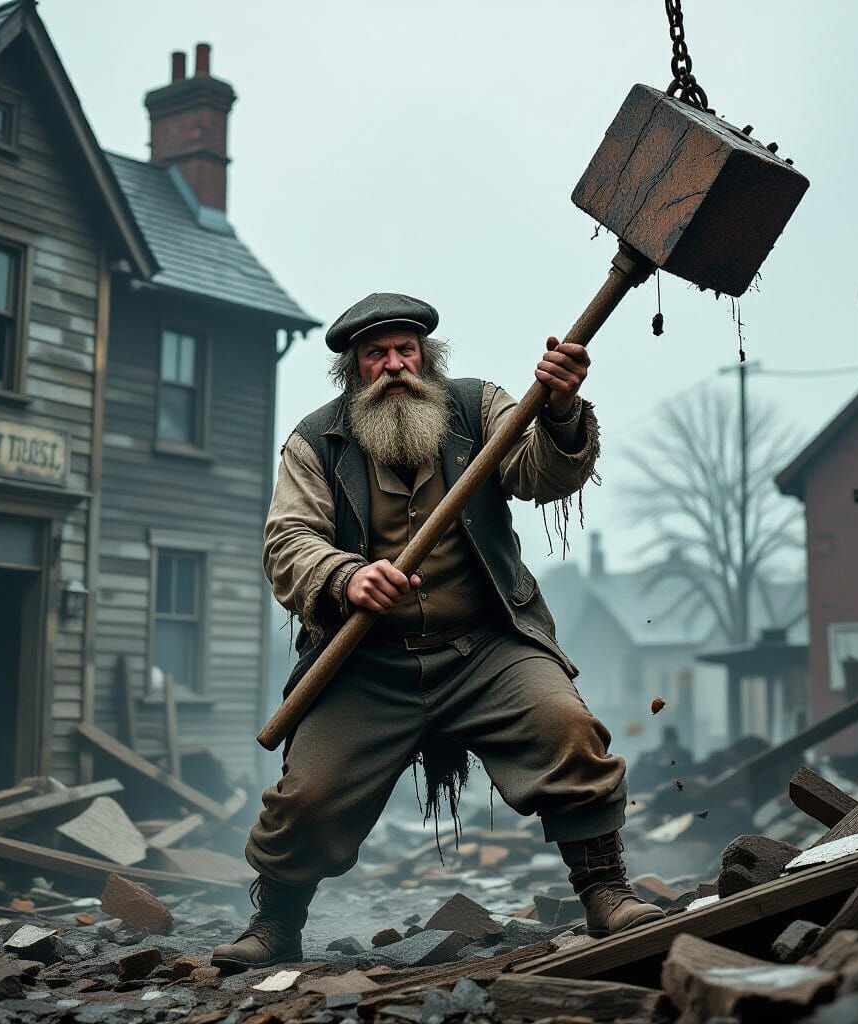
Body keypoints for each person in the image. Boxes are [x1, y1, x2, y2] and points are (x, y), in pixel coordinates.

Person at [212, 292, 664, 971]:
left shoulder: (480, 407)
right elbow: (287, 540)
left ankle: (605, 891)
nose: (393, 365)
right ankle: (275, 922)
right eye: (376, 354)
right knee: (306, 796)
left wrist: (563, 410)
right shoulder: (315, 442)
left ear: (425, 356)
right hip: (368, 661)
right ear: (353, 370)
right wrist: (346, 576)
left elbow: (540, 472)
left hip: (488, 647)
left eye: (405, 350)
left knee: (565, 727)